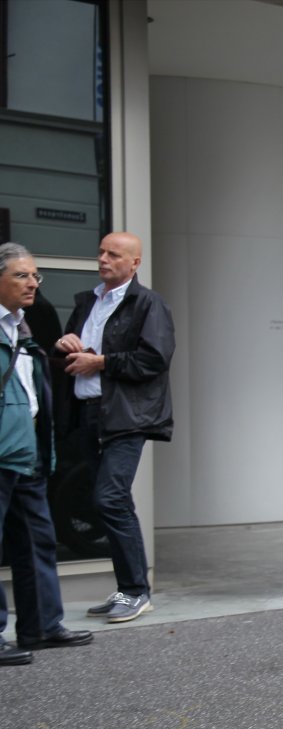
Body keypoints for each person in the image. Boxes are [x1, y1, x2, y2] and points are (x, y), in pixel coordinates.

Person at [55, 232, 175, 624]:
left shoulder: (148, 303)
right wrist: (65, 346)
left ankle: (137, 591)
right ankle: (129, 588)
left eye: (113, 254)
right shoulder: (87, 302)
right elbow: (71, 362)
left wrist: (102, 362)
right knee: (110, 501)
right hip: (87, 414)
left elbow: (154, 359)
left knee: (109, 498)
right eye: (101, 252)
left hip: (126, 418)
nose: (103, 259)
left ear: (135, 263)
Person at [0, 243, 93, 666]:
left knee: (38, 541)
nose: (33, 283)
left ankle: (41, 626)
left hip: (29, 452)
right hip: (3, 452)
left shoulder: (24, 325)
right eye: (21, 275)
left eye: (35, 275)